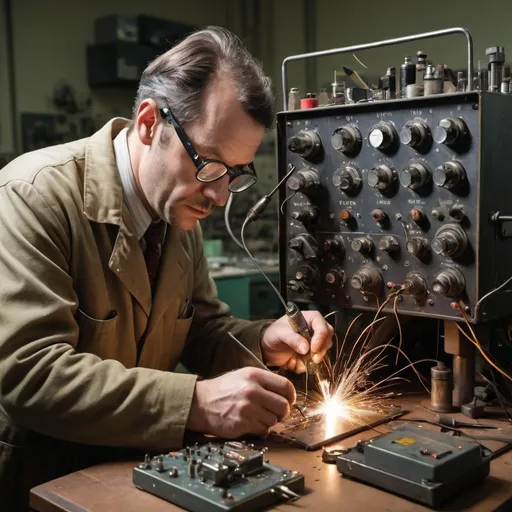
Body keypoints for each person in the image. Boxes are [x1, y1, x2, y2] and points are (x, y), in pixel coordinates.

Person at [0, 26, 333, 509]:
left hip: (134, 473)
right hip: (43, 482)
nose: (220, 196)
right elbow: (30, 375)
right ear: (149, 122)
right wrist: (196, 403)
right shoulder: (32, 197)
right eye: (210, 164)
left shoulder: (178, 217)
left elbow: (201, 331)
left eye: (235, 173)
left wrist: (263, 341)